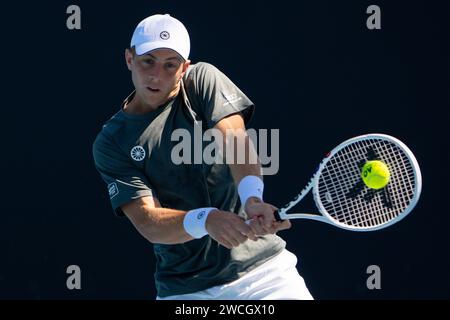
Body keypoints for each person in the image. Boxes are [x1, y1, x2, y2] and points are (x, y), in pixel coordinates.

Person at [92, 13, 313, 300]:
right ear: (129, 59)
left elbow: (236, 141)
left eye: (170, 65)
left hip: (266, 276)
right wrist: (206, 220)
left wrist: (252, 199)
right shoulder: (111, 141)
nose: (157, 75)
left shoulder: (202, 80)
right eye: (148, 61)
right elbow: (147, 221)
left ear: (184, 68)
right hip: (185, 291)